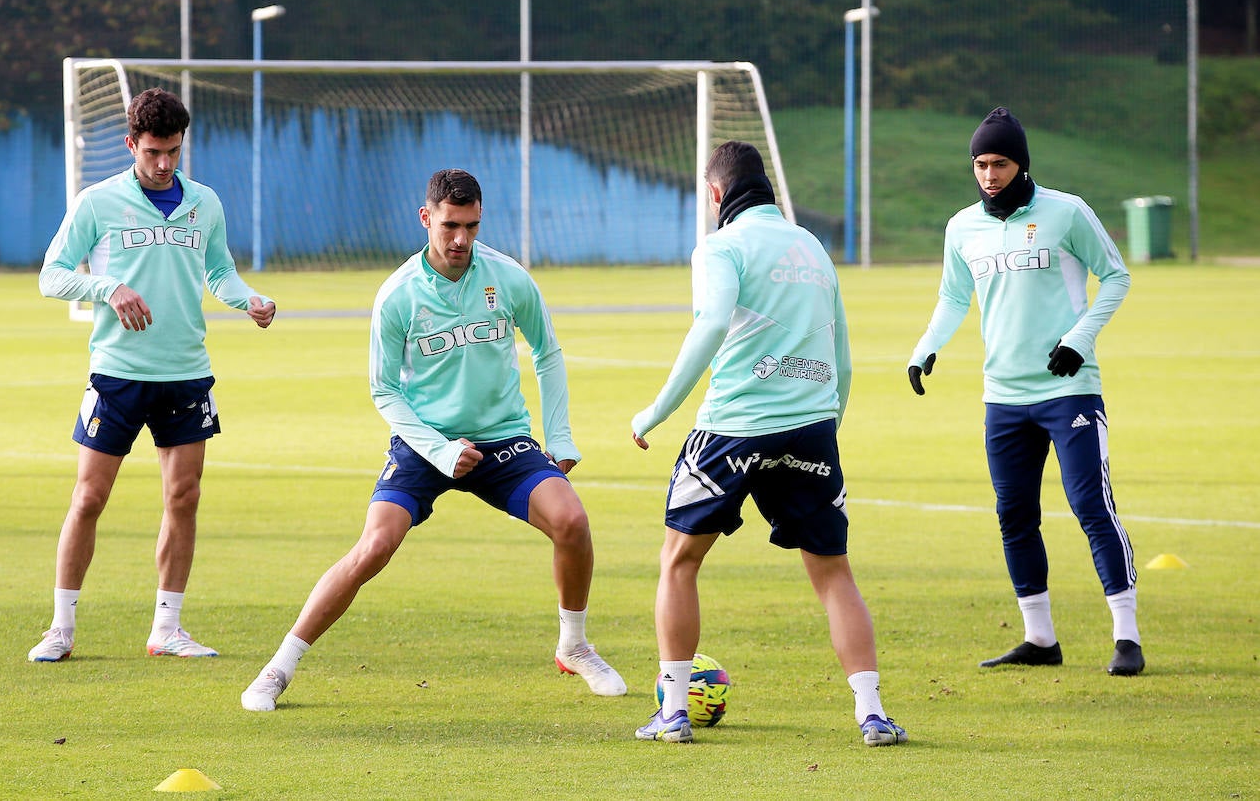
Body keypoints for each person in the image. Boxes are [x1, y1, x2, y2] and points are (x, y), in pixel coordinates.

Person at [241, 168, 625, 711]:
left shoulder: (508, 277)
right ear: (427, 218)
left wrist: (559, 436)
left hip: (503, 440)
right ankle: (279, 668)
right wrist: (441, 449)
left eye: (470, 225)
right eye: (449, 225)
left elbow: (548, 351)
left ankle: (575, 646)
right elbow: (383, 392)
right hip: (425, 443)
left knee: (573, 522)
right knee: (374, 546)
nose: (460, 239)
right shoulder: (398, 295)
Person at [630, 141, 907, 747]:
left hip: (732, 429)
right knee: (833, 573)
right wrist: (826, 424)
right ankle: (872, 713)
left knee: (679, 561)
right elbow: (843, 355)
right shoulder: (811, 247)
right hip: (811, 427)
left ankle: (673, 711)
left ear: (715, 194)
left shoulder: (720, 247)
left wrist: (656, 411)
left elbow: (710, 323)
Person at [28, 87, 277, 663]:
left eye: (173, 151)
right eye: (152, 153)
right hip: (117, 374)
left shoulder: (205, 203)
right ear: (131, 145)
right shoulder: (98, 202)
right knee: (90, 497)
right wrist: (107, 288)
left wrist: (249, 301)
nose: (164, 164)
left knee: (183, 497)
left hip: (186, 372)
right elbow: (52, 275)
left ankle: (167, 628)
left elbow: (220, 271)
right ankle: (61, 628)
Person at [907, 106, 1142, 676]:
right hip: (1003, 397)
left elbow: (1116, 276)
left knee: (1091, 506)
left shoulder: (1067, 213)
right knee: (1014, 513)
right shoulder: (962, 227)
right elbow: (954, 297)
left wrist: (1078, 339)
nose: (989, 175)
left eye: (1000, 163)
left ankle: (1127, 637)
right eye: (981, 165)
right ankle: (1040, 639)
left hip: (1070, 391)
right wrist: (925, 347)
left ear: (1022, 164)